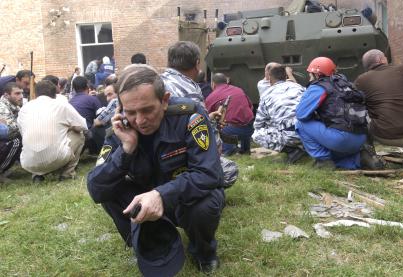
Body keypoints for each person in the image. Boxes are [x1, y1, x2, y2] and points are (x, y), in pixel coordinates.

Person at [87, 65, 224, 275]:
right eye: (130, 112)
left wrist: (161, 194)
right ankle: (147, 241)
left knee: (204, 206)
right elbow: (96, 189)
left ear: (165, 100)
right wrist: (126, 150)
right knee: (109, 186)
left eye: (147, 110)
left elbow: (209, 174)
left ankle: (203, 251)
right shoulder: (120, 129)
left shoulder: (189, 116)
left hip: (182, 197)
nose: (140, 121)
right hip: (147, 194)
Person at [355, 49, 403, 168]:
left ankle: (371, 156)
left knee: (358, 116)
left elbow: (356, 107)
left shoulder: (361, 80)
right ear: (381, 59)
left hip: (384, 136)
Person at [296, 57, 367, 169]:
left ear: (317, 74)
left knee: (300, 124)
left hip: (340, 139)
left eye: (310, 74)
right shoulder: (347, 84)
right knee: (336, 152)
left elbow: (301, 114)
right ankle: (358, 159)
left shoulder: (318, 87)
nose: (309, 77)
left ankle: (323, 161)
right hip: (361, 138)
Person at [18, 81, 87, 182]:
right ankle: (67, 173)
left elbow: (22, 132)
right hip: (56, 158)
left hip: (28, 162)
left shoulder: (24, 109)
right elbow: (83, 126)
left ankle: (37, 175)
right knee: (79, 135)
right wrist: (69, 128)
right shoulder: (61, 105)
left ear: (35, 94)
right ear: (55, 94)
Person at [253, 64, 306, 163]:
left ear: (270, 79)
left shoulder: (266, 95)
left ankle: (293, 151)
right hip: (309, 132)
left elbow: (258, 124)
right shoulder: (299, 87)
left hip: (291, 135)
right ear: (286, 76)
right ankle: (307, 147)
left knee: (257, 134)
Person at [206, 73, 254, 155]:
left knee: (215, 124)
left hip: (231, 132)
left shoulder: (211, 96)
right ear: (227, 81)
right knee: (244, 118)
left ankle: (226, 151)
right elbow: (250, 107)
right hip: (250, 129)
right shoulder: (239, 89)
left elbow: (206, 116)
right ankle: (245, 149)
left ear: (213, 84)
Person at [0, 83, 23, 179]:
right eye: (17, 94)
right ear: (6, 95)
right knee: (16, 141)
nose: (21, 96)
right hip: (4, 139)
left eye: (22, 93)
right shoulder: (2, 107)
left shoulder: (14, 105)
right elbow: (9, 131)